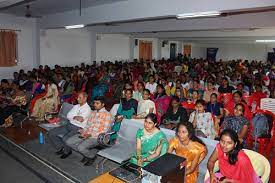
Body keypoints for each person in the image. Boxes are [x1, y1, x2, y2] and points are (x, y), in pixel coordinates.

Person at [65, 96, 112, 165]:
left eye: (97, 103)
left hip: (98, 137)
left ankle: (91, 157)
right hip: (87, 133)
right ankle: (87, 154)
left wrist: (89, 135)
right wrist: (83, 131)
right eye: (94, 103)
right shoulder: (93, 113)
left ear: (103, 104)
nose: (95, 105)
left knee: (80, 147)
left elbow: (104, 131)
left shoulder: (107, 115)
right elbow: (88, 125)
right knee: (69, 142)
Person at [48, 92, 91, 159]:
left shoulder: (87, 109)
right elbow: (68, 115)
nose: (77, 99)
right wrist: (75, 117)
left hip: (78, 128)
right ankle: (62, 147)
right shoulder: (76, 106)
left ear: (85, 98)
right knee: (51, 133)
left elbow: (80, 120)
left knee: (65, 138)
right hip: (69, 124)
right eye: (77, 97)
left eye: (80, 97)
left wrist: (74, 117)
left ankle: (67, 152)